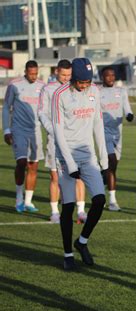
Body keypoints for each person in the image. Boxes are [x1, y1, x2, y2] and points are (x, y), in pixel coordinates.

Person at [52, 58, 108, 270]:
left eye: (88, 81)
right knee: (68, 207)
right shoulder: (60, 95)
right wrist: (70, 163)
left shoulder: (94, 91)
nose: (85, 85)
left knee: (100, 200)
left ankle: (82, 242)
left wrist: (104, 161)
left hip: (88, 156)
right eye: (81, 82)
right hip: (66, 158)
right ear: (73, 78)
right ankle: (68, 254)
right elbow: (58, 131)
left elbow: (98, 126)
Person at [38, 59, 87, 223]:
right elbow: (42, 113)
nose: (67, 78)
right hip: (55, 140)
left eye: (69, 75)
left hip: (75, 139)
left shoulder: (76, 87)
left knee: (78, 175)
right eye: (64, 74)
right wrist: (52, 130)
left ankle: (80, 211)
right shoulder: (48, 89)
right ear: (56, 72)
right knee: (55, 177)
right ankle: (54, 212)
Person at [2, 60, 45, 213]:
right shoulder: (15, 84)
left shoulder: (42, 86)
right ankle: (19, 199)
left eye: (36, 73)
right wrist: (6, 130)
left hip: (35, 131)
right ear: (25, 72)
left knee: (33, 166)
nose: (34, 76)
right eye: (31, 73)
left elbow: (44, 110)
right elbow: (6, 107)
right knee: (21, 163)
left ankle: (28, 202)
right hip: (18, 129)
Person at [99, 66, 134, 211]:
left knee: (113, 167)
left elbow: (127, 107)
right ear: (103, 77)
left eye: (113, 75)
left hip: (118, 133)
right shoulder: (98, 92)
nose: (111, 78)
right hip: (103, 132)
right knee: (111, 160)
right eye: (108, 76)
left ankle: (103, 176)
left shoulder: (121, 91)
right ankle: (113, 201)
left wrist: (129, 114)